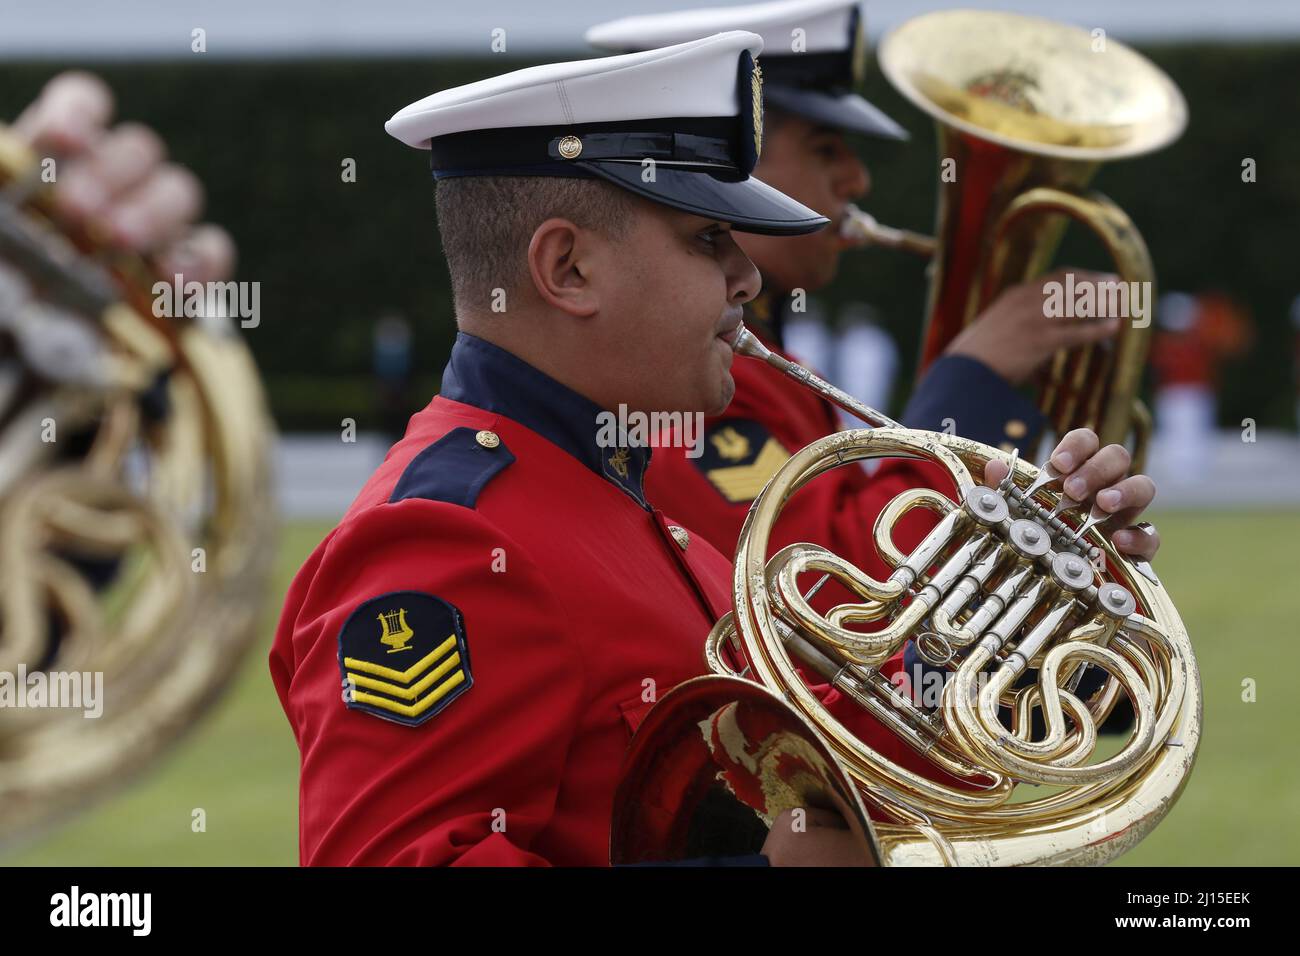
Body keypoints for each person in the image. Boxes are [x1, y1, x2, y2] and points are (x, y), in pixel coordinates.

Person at [267, 32, 1161, 866]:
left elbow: (797, 769)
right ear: (567, 269)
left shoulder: (615, 490)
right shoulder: (446, 540)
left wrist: (997, 624)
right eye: (708, 240)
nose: (748, 275)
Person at [589, 0, 1143, 718]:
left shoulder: (756, 355)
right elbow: (839, 593)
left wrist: (1071, 554)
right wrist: (972, 377)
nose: (858, 180)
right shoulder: (671, 383)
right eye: (826, 149)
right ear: (728, 164)